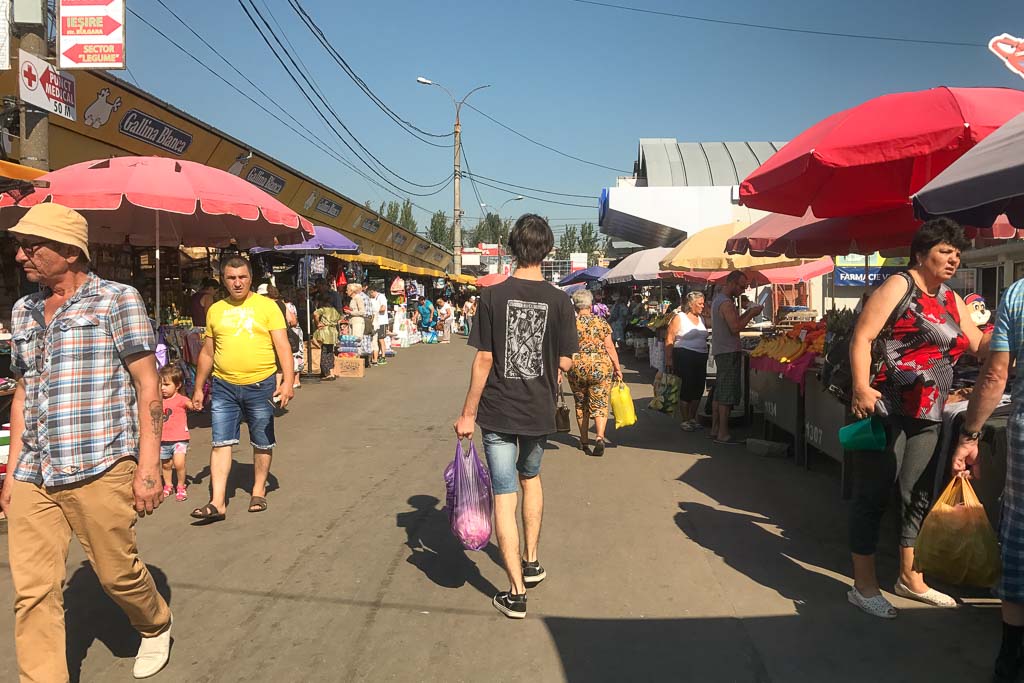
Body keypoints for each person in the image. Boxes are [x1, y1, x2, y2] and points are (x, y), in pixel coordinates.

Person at [0, 203, 173, 680]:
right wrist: (12, 473)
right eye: (19, 246)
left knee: (117, 573)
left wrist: (149, 467)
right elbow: (22, 391)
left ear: (70, 251)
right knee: (33, 592)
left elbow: (147, 383)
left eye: (30, 246)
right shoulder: (24, 310)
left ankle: (155, 622)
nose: (20, 257)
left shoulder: (117, 300)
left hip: (99, 464)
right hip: (35, 470)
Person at [847, 217, 985, 619]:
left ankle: (910, 577)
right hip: (885, 405)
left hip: (929, 409)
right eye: (945, 251)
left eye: (957, 254)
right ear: (921, 254)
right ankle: (864, 584)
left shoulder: (949, 298)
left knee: (916, 493)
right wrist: (860, 387)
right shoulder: (899, 285)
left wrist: (1013, 325)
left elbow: (977, 343)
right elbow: (862, 336)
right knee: (873, 493)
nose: (953, 260)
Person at [454, 214, 578, 619]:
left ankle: (516, 593)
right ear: (548, 250)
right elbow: (565, 360)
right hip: (539, 411)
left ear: (511, 247)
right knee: (532, 479)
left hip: (500, 411)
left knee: (503, 495)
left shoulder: (492, 297)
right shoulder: (561, 301)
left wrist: (467, 414)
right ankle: (532, 560)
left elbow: (485, 359)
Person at [952, 276, 1023, 681]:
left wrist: (970, 434)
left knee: (1018, 540)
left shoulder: (1018, 294)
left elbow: (996, 376)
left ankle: (1010, 657)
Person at [190, 256, 294, 520]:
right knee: (220, 442)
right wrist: (199, 387)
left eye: (242, 277)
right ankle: (217, 502)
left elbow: (283, 346)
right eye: (231, 278)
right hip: (224, 386)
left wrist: (289, 382)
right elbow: (208, 352)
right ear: (223, 280)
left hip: (261, 385)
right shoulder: (216, 309)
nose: (237, 283)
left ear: (250, 278)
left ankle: (258, 489)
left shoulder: (267, 307)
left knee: (261, 440)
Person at [566, 289, 622, 456]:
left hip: (577, 366)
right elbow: (610, 347)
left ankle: (583, 441)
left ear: (575, 307)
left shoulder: (569, 324)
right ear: (590, 306)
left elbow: (563, 349)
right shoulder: (601, 323)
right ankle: (599, 437)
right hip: (600, 367)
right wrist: (617, 368)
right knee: (600, 403)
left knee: (581, 404)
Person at [709, 272, 763, 444]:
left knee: (720, 391)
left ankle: (715, 429)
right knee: (726, 393)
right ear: (731, 283)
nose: (742, 290)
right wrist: (751, 313)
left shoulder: (719, 299)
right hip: (728, 352)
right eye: (740, 286)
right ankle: (723, 433)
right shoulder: (726, 303)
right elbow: (735, 327)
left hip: (722, 350)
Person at [666, 291, 709, 431]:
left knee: (698, 387)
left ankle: (692, 417)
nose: (703, 306)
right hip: (684, 355)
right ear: (691, 304)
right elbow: (669, 338)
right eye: (700, 304)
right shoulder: (680, 317)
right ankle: (685, 419)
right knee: (687, 387)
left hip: (701, 355)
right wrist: (669, 359)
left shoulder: (701, 318)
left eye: (703, 303)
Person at [159, 364, 195, 502]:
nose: (163, 388)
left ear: (178, 385)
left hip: (180, 438)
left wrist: (196, 404)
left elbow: (192, 405)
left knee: (179, 463)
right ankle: (168, 485)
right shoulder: (158, 400)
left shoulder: (181, 399)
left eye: (167, 384)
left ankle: (181, 486)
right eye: (161, 385)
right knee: (166, 465)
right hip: (163, 438)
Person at [313, 292, 341, 381]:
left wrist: (318, 323)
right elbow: (339, 319)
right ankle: (332, 372)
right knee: (330, 352)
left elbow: (315, 314)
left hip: (325, 331)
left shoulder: (323, 309)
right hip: (333, 332)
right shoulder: (334, 310)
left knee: (324, 352)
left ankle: (326, 372)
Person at [368, 284, 389, 366]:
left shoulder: (381, 297)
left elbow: (383, 308)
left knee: (381, 339)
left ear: (373, 291)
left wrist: (375, 311)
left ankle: (383, 356)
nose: (370, 294)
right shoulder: (373, 299)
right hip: (375, 321)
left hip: (381, 321)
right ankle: (377, 355)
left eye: (370, 293)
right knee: (375, 339)